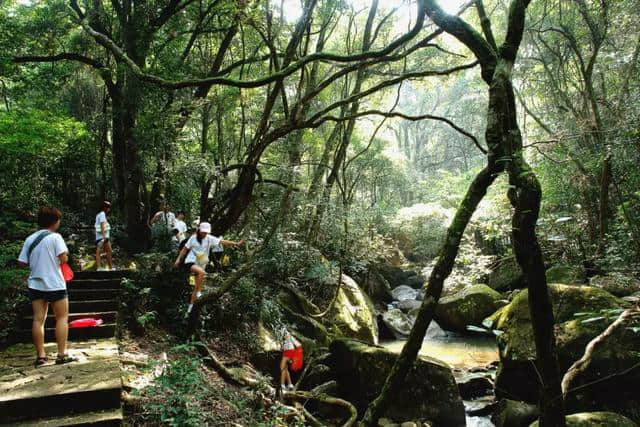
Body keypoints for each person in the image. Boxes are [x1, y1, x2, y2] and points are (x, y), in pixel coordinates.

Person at [17, 206, 77, 366]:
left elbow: (21, 262)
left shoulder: (30, 239)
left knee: (38, 320)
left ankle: (41, 356)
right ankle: (62, 354)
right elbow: (63, 259)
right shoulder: (56, 237)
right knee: (62, 318)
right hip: (55, 284)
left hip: (36, 283)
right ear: (55, 222)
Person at [173, 222, 243, 315]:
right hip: (191, 262)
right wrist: (178, 260)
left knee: (196, 287)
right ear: (199, 230)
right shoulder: (193, 238)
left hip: (201, 263)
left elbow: (222, 242)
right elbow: (184, 250)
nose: (204, 234)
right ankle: (198, 292)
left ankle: (190, 308)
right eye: (203, 232)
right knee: (201, 274)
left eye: (206, 232)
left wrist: (235, 243)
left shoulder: (209, 238)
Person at [278, 326, 302, 392]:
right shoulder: (288, 334)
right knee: (285, 368)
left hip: (288, 351)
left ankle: (282, 385)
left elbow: (283, 343)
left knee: (282, 368)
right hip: (290, 351)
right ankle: (290, 384)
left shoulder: (283, 332)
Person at [95, 201, 113, 271]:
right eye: (108, 207)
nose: (109, 209)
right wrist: (104, 236)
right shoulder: (102, 214)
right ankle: (106, 267)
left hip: (100, 236)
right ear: (105, 207)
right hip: (103, 237)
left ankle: (106, 267)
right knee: (107, 251)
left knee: (106, 251)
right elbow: (102, 225)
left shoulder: (98, 214)